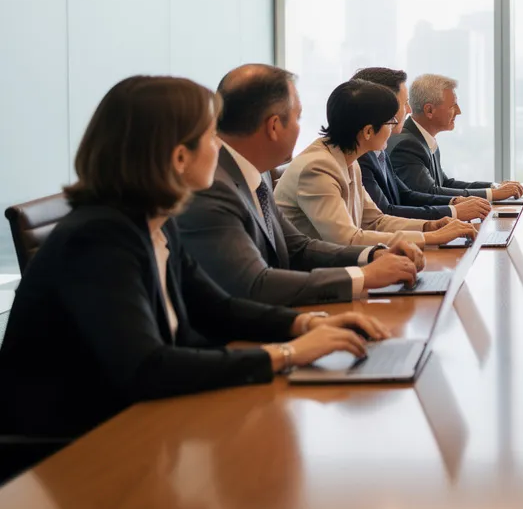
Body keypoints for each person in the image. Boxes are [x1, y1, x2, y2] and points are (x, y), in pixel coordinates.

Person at [0, 76, 390, 444]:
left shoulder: (155, 221)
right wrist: (286, 354)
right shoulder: (99, 238)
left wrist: (306, 324)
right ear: (179, 157)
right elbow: (147, 367)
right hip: (74, 445)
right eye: (209, 136)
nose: (219, 147)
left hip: (139, 419)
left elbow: (216, 308)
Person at [177, 65, 423, 307]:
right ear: (274, 126)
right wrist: (362, 276)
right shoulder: (214, 187)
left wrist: (374, 254)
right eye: (298, 117)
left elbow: (298, 248)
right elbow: (256, 284)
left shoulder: (252, 174)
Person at [275, 80, 479, 248]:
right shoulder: (318, 167)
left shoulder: (347, 158)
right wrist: (430, 238)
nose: (393, 129)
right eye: (390, 122)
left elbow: (375, 221)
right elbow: (347, 240)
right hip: (313, 275)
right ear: (368, 131)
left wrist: (429, 226)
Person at [350, 67, 491, 222]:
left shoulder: (378, 150)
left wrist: (454, 202)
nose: (409, 110)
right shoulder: (362, 156)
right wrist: (453, 212)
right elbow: (384, 214)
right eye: (404, 103)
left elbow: (405, 195)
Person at [389, 74, 523, 202]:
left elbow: (445, 183)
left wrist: (494, 187)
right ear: (429, 110)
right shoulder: (407, 144)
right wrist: (491, 194)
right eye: (453, 106)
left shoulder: (423, 139)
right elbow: (429, 192)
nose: (459, 111)